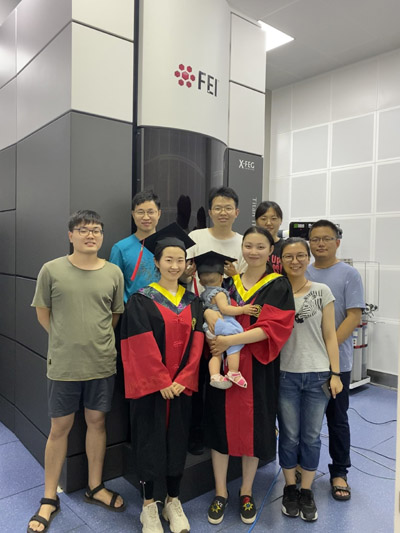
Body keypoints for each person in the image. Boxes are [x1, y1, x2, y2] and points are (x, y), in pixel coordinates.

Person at [28, 210, 125, 533]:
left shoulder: (113, 272)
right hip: (64, 365)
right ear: (71, 235)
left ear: (102, 236)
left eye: (96, 230)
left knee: (97, 422)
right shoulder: (51, 270)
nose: (90, 235)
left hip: (101, 363)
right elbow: (43, 313)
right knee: (59, 428)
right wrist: (65, 341)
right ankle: (49, 498)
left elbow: (114, 316)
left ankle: (95, 487)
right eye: (83, 230)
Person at [205, 226, 295, 525]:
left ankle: (246, 491)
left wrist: (230, 341)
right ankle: (221, 492)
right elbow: (209, 310)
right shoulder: (228, 284)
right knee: (220, 426)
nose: (253, 252)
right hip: (224, 363)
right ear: (241, 248)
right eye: (248, 246)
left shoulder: (278, 285)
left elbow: (274, 328)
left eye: (260, 246)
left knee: (255, 428)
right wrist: (210, 321)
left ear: (270, 250)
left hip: (257, 366)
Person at [120, 223, 204, 533]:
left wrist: (185, 377)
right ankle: (148, 507)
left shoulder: (192, 300)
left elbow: (198, 342)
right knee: (148, 442)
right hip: (153, 390)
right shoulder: (141, 299)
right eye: (168, 259)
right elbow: (137, 344)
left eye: (180, 260)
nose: (174, 265)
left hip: (181, 387)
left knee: (177, 441)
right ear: (156, 262)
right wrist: (161, 381)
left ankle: (172, 500)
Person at [278, 237, 343, 522]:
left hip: (318, 375)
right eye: (289, 256)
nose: (295, 261)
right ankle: (289, 488)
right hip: (285, 374)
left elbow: (330, 335)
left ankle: (306, 490)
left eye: (300, 255)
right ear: (281, 260)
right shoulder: (276, 291)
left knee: (312, 437)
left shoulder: (321, 291)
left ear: (308, 258)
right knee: (289, 436)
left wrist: (335, 373)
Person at [306, 220, 364, 501]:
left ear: (337, 242)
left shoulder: (349, 274)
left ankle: (339, 471)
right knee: (306, 421)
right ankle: (301, 469)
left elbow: (354, 316)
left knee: (337, 419)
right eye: (315, 239)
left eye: (326, 239)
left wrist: (326, 349)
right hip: (305, 361)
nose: (320, 244)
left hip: (337, 362)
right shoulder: (303, 271)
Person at [186, 186, 246, 454]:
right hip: (198, 316)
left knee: (226, 372)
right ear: (210, 211)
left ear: (237, 212)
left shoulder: (243, 243)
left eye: (228, 208)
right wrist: (204, 310)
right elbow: (183, 278)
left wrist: (234, 277)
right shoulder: (196, 237)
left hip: (230, 321)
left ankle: (222, 434)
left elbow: (247, 285)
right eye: (218, 208)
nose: (223, 212)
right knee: (198, 375)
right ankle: (196, 433)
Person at [196, 251, 258, 389]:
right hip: (222, 323)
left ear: (200, 282)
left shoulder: (204, 294)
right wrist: (243, 310)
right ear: (221, 278)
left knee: (216, 353)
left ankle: (215, 375)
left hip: (209, 328)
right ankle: (233, 372)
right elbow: (225, 309)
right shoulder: (219, 293)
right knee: (236, 340)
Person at [109, 190, 162, 303]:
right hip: (133, 310)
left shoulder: (168, 245)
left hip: (165, 309)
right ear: (133, 214)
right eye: (140, 212)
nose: (146, 217)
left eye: (151, 212)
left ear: (159, 213)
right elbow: (113, 286)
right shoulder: (121, 248)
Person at [255, 200, 284, 274]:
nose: (268, 223)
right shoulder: (251, 247)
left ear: (281, 221)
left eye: (273, 219)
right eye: (263, 219)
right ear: (256, 221)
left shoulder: (286, 247)